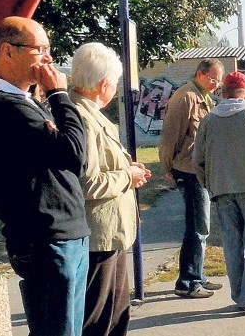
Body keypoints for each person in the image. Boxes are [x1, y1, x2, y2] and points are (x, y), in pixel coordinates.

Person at [0, 16, 90, 336]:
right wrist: (58, 94)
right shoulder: (2, 105)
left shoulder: (24, 101)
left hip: (66, 235)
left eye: (48, 49)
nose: (49, 59)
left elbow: (72, 159)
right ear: (7, 52)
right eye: (39, 49)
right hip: (46, 239)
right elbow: (74, 154)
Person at [70, 43, 151, 336]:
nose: (114, 89)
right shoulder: (80, 117)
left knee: (116, 316)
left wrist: (129, 175)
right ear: (103, 85)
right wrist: (126, 176)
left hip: (109, 235)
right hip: (97, 238)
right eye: (114, 83)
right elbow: (86, 183)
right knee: (99, 321)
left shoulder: (87, 113)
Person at [191, 71, 245, 314]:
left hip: (221, 189)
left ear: (223, 92)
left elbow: (197, 159)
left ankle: (239, 294)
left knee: (232, 244)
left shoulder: (209, 119)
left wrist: (209, 184)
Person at [159, 58, 224, 298]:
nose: (216, 85)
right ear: (201, 74)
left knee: (199, 226)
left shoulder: (202, 96)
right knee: (198, 227)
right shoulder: (185, 97)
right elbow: (169, 137)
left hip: (199, 170)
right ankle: (187, 282)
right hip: (187, 170)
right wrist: (167, 166)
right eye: (213, 79)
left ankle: (196, 275)